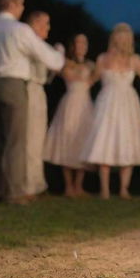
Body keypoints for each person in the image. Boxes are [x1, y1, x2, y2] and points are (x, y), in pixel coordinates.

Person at [0, 0, 64, 205]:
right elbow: (52, 60)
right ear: (12, 4)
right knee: (16, 141)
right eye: (21, 3)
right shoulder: (19, 30)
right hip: (12, 86)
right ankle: (15, 193)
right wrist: (59, 54)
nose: (22, 7)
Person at [81, 23, 140, 199]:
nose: (121, 41)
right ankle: (104, 189)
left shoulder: (135, 60)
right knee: (104, 141)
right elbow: (90, 80)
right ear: (113, 38)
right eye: (118, 37)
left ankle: (124, 188)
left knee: (127, 141)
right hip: (107, 103)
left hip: (128, 104)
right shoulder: (102, 58)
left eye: (125, 37)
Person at [43, 33, 95, 197]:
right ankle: (68, 186)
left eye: (84, 42)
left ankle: (79, 186)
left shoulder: (91, 64)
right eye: (79, 42)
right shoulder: (65, 62)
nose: (82, 45)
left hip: (85, 105)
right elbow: (58, 72)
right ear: (73, 45)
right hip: (70, 103)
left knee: (83, 140)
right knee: (66, 140)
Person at [23, 10, 62, 200]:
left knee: (38, 139)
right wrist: (59, 53)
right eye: (45, 23)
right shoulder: (31, 43)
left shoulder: (39, 45)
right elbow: (57, 63)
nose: (48, 28)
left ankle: (36, 183)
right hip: (28, 90)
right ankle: (29, 185)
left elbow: (48, 75)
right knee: (30, 138)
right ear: (35, 23)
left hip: (38, 91)